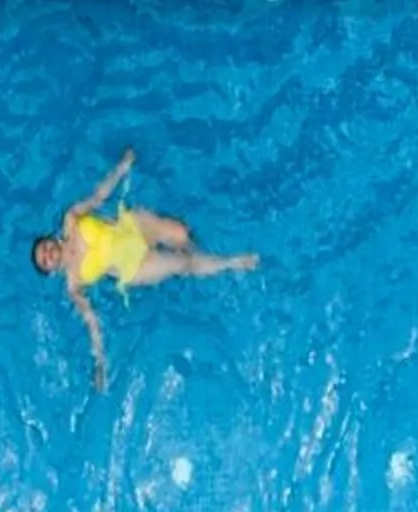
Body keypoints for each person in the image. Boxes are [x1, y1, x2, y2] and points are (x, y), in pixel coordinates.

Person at [31, 147, 256, 389]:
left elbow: (98, 197)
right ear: (51, 269)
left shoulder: (71, 220)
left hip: (131, 227)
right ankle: (232, 262)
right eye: (45, 260)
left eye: (44, 248)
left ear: (49, 238)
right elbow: (92, 322)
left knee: (181, 233)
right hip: (132, 266)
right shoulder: (73, 283)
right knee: (182, 264)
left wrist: (122, 167)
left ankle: (202, 248)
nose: (48, 254)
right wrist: (100, 362)